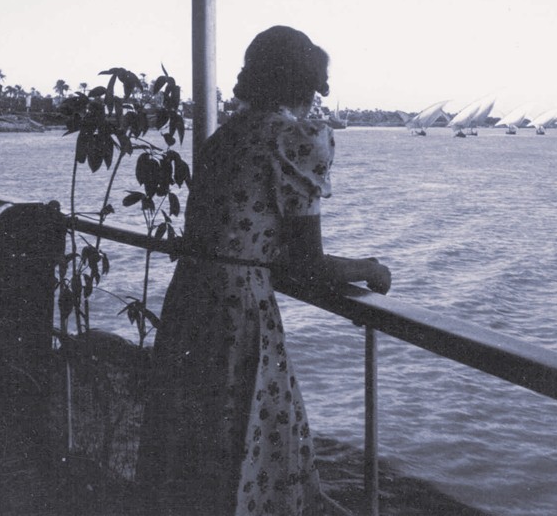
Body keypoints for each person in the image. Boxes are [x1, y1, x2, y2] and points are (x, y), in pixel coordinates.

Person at [136, 26, 391, 516]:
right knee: (249, 443)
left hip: (192, 300)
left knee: (191, 450)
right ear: (306, 83)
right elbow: (306, 264)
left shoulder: (223, 138)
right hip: (238, 313)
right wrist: (369, 269)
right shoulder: (295, 138)